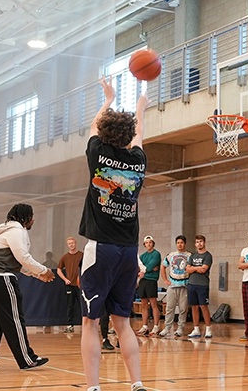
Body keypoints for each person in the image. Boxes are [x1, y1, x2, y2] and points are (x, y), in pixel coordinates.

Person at [78, 76, 148, 391]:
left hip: (101, 248)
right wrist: (140, 109)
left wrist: (108, 99)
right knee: (123, 322)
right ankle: (136, 383)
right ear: (129, 135)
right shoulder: (138, 162)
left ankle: (93, 387)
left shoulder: (97, 155)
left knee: (90, 322)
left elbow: (92, 128)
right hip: (128, 253)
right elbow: (140, 137)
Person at [0, 203, 55, 371]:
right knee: (14, 319)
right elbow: (23, 257)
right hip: (0, 277)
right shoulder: (17, 231)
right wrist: (44, 270)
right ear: (26, 217)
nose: (34, 219)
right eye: (32, 216)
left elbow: (18, 262)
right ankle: (27, 359)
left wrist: (37, 275)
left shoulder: (6, 230)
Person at [160, 235, 192, 337]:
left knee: (183, 308)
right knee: (170, 308)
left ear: (185, 244)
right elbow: (163, 266)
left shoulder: (189, 255)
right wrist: (165, 280)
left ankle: (180, 328)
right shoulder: (171, 255)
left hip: (184, 286)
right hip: (172, 286)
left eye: (182, 243)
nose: (180, 245)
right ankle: (167, 327)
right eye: (178, 243)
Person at [186, 235, 213, 339]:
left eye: (201, 241)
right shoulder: (192, 256)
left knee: (203, 306)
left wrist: (193, 268)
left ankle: (208, 329)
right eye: (197, 242)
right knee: (194, 307)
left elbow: (203, 270)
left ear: (204, 242)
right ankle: (196, 329)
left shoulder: (208, 256)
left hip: (202, 285)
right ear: (195, 244)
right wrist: (196, 268)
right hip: (192, 284)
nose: (199, 244)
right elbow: (187, 269)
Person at [57, 236, 83, 333]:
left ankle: (85, 324)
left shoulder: (82, 255)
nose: (71, 245)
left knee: (82, 305)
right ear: (67, 245)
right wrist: (65, 279)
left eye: (73, 243)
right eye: (69, 244)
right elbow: (59, 269)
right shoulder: (65, 257)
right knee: (70, 305)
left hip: (80, 285)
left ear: (75, 243)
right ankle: (70, 325)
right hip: (69, 285)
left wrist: (82, 278)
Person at [136, 235, 162, 337]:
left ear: (153, 243)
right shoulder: (142, 256)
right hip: (143, 281)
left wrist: (144, 270)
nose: (148, 244)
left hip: (151, 281)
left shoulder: (156, 254)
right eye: (146, 243)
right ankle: (145, 326)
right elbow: (139, 266)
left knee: (153, 304)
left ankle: (156, 326)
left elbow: (150, 266)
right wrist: (144, 271)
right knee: (144, 304)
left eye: (150, 242)